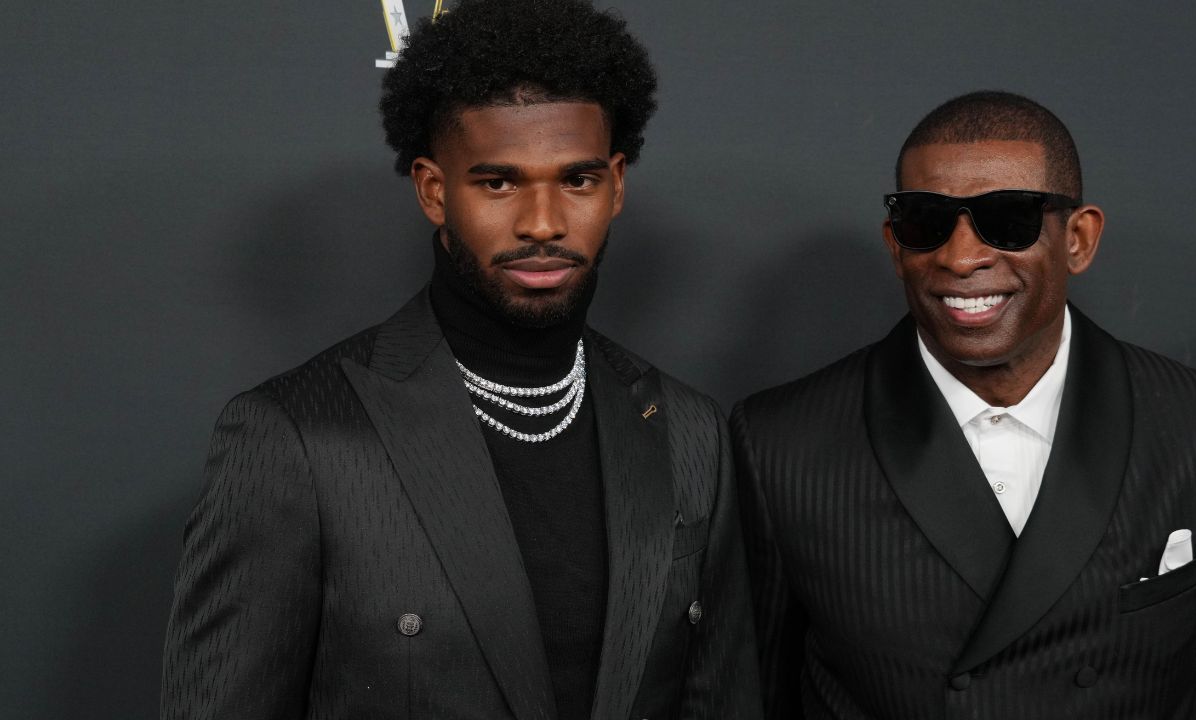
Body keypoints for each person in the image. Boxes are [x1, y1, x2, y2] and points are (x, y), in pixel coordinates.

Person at [161, 1, 760, 717]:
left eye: (577, 180)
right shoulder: (294, 436)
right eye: (499, 182)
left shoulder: (689, 432)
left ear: (617, 185)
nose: (543, 223)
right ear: (434, 191)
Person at [733, 90, 1196, 719]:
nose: (961, 257)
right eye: (926, 222)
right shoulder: (780, 445)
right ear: (895, 244)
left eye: (1009, 218)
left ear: (1079, 239)